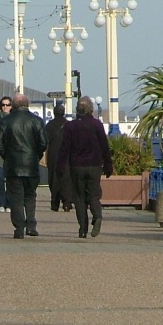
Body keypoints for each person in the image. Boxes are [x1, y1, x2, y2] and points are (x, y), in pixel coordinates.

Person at [58, 96, 114, 239]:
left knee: (79, 198)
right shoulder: (97, 125)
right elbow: (104, 146)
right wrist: (108, 165)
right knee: (94, 195)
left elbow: (64, 149)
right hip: (95, 166)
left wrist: (60, 167)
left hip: (77, 166)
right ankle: (97, 215)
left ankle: (83, 229)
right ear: (91, 109)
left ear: (77, 109)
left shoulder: (70, 126)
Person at [0, 94, 47, 238]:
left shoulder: (6, 121)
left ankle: (19, 228)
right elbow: (43, 143)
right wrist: (36, 155)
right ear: (27, 104)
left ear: (14, 105)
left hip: (13, 165)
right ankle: (31, 225)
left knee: (15, 197)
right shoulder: (37, 121)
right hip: (31, 165)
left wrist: (7, 155)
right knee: (30, 195)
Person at [44, 104, 74, 213]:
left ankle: (55, 202)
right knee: (67, 178)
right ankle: (67, 202)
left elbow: (44, 141)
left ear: (54, 112)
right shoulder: (69, 125)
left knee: (54, 178)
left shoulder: (49, 125)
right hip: (67, 155)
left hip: (53, 154)